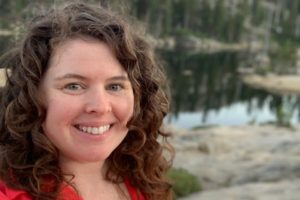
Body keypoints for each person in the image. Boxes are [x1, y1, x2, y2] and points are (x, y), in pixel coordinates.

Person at [0, 2, 173, 200]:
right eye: (74, 86)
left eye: (115, 86)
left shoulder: (141, 176)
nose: (100, 106)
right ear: (31, 95)